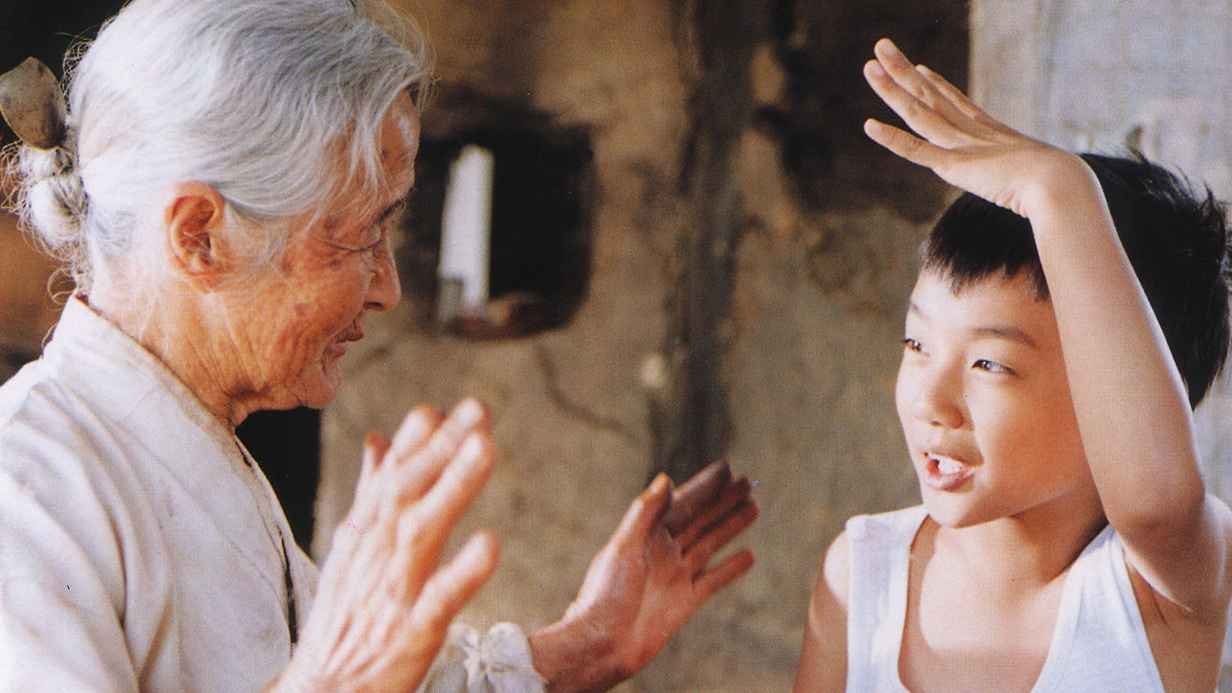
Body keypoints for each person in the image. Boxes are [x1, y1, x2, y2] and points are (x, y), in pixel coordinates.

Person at [0, 1, 759, 691]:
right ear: (199, 235)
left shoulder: (184, 447)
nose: (387, 288)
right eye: (361, 236)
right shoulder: (29, 490)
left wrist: (593, 642)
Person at [794, 39, 1232, 692]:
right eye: (917, 344)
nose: (931, 401)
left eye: (989, 363)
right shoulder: (862, 578)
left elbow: (1156, 504)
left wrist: (1059, 191)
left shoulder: (1155, 593)